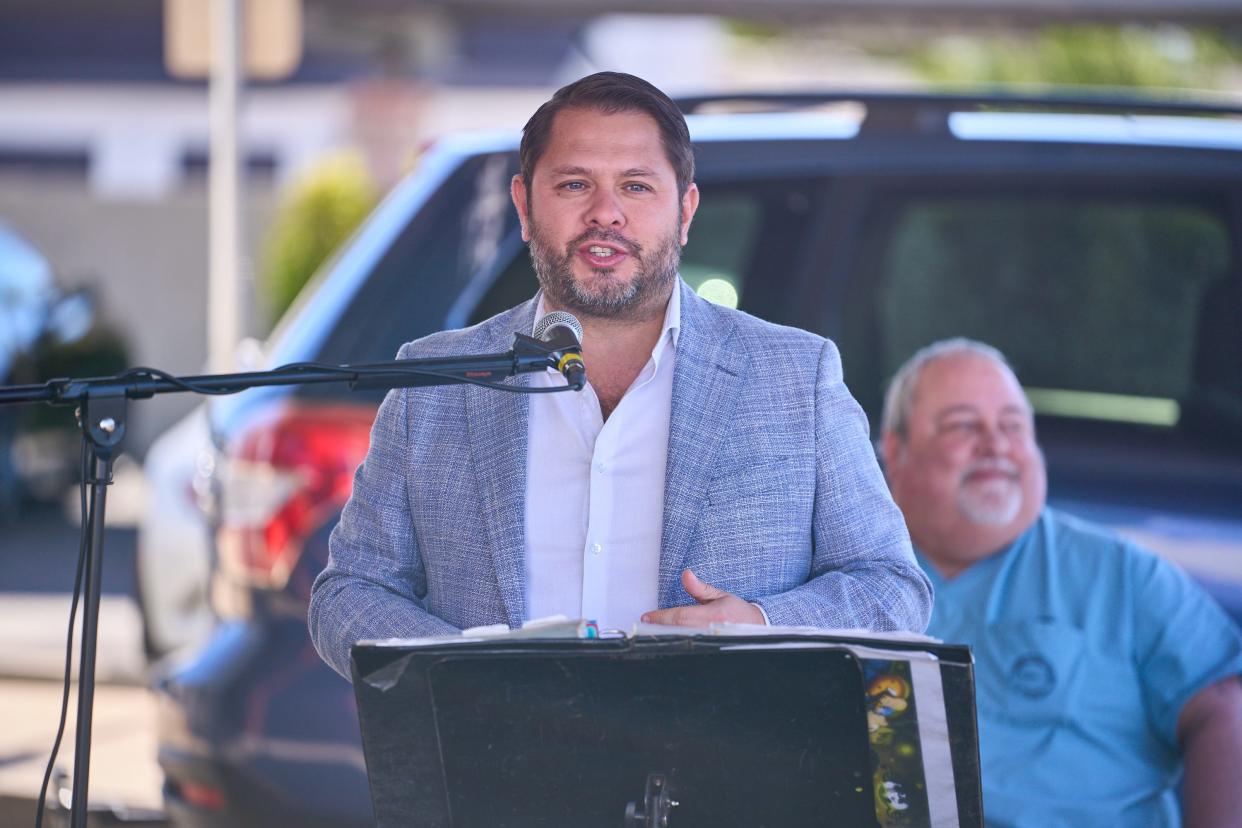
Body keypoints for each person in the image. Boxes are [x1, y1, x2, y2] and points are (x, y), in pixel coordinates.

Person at [309, 72, 931, 680]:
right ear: (525, 205)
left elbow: (892, 589)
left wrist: (768, 626)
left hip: (723, 772)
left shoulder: (796, 376)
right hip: (495, 769)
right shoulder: (435, 383)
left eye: (636, 187)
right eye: (575, 184)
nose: (605, 213)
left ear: (685, 210)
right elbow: (349, 594)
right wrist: (462, 672)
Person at [879, 338, 1242, 828]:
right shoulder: (850, 575)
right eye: (963, 425)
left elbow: (1225, 708)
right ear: (895, 451)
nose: (995, 443)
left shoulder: (1120, 574)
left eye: (1012, 426)